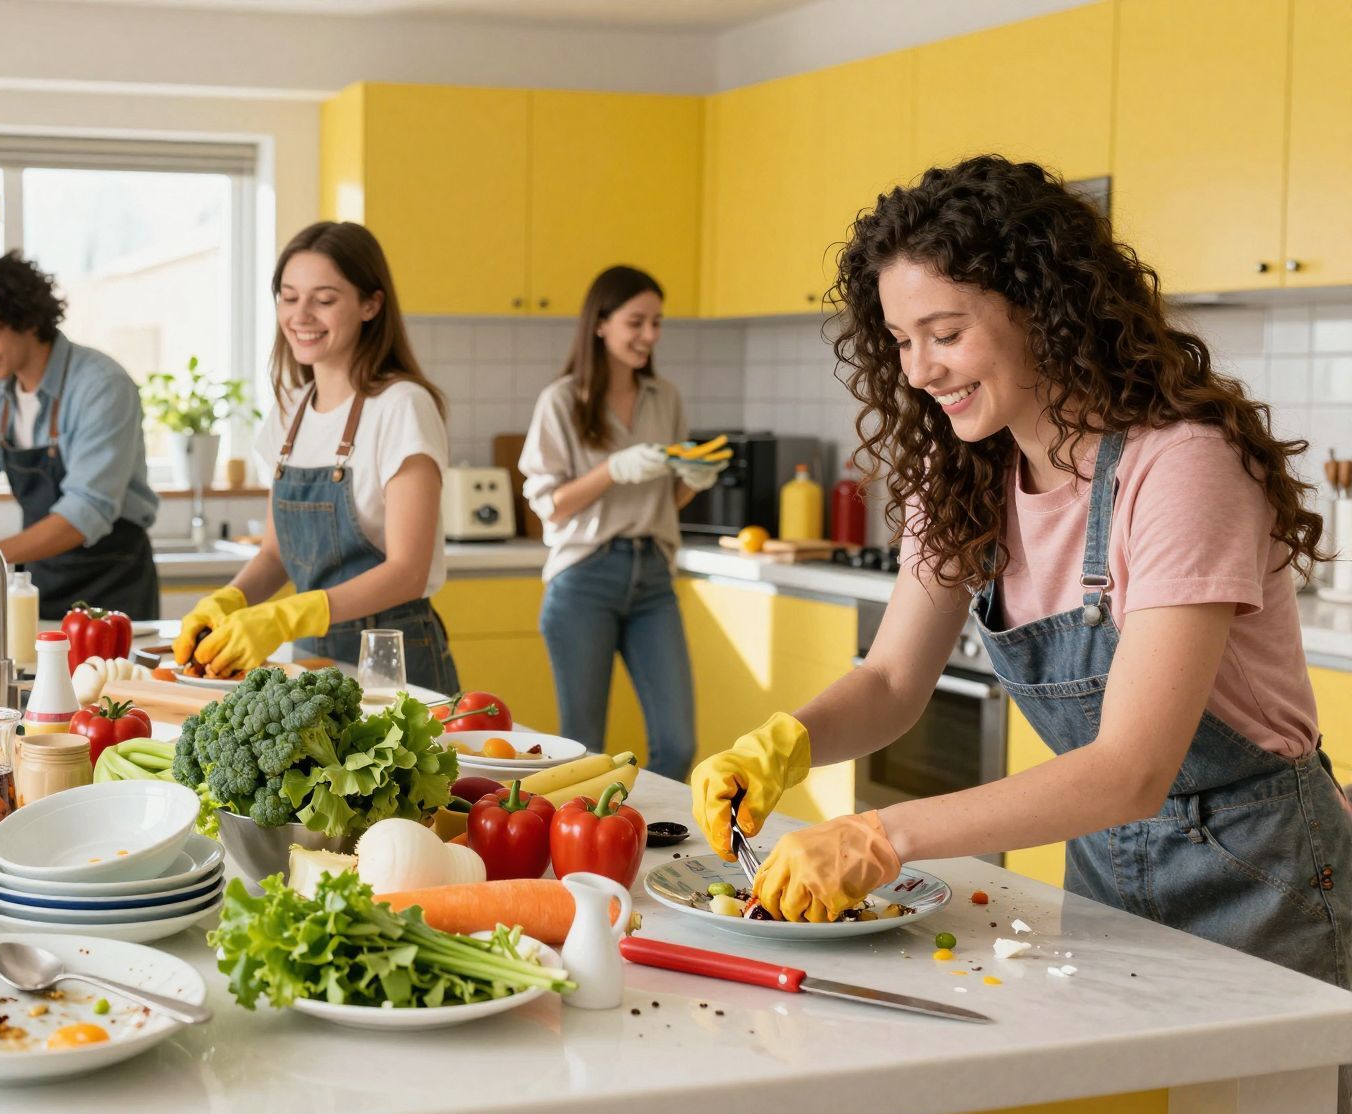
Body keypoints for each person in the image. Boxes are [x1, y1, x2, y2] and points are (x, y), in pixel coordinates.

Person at [689, 157, 1352, 985]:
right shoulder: (965, 477)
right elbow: (894, 681)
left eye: (946, 332)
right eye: (901, 340)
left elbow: (1131, 770)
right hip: (1106, 867)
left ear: (1043, 310)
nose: (919, 371)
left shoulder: (1182, 467)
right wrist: (784, 744)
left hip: (1264, 878)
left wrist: (883, 836)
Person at [177, 222, 459, 693]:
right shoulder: (291, 409)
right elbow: (275, 554)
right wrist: (230, 600)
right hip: (315, 662)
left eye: (323, 299)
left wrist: (288, 615)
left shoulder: (402, 406)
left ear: (371, 304)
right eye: (289, 297)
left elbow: (408, 572)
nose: (301, 315)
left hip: (393, 663)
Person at [520, 266, 717, 778]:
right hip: (584, 579)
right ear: (601, 324)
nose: (649, 336)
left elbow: (664, 503)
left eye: (656, 323)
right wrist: (612, 469)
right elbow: (549, 504)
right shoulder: (562, 402)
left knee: (678, 743)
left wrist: (693, 480)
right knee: (582, 751)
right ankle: (588, 850)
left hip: (652, 576)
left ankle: (653, 846)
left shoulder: (665, 398)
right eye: (637, 322)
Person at [0, 252, 160, 621]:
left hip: (113, 583)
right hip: (39, 580)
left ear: (28, 321)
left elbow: (85, 511)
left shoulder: (101, 386)